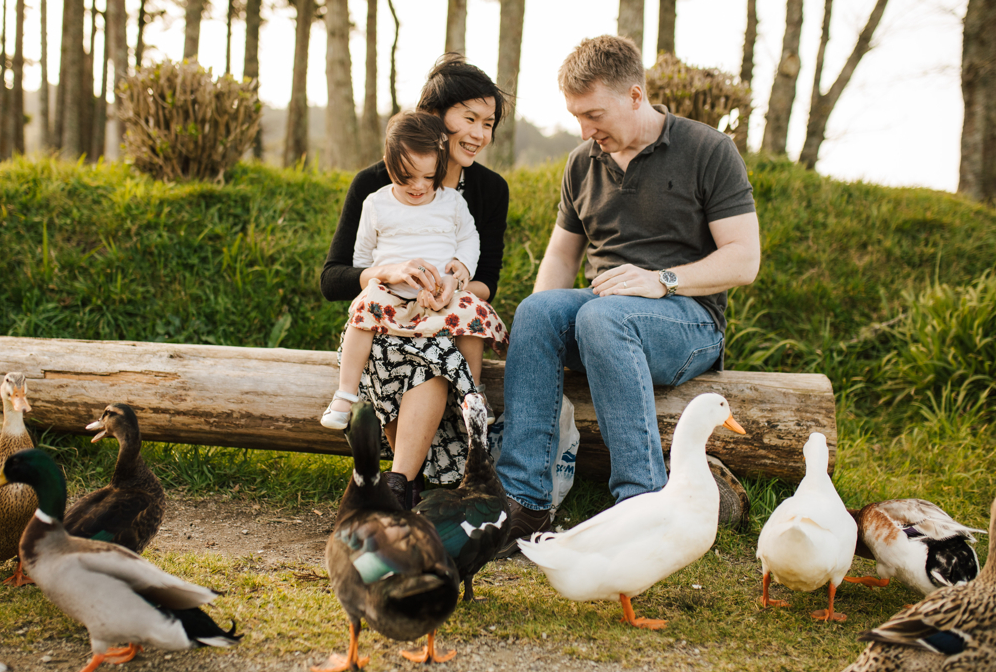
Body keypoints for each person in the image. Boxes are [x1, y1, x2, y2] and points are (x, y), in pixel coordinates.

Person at [494, 35, 760, 555]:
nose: (585, 131)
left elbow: (743, 259)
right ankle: (524, 503)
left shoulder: (708, 150)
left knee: (604, 318)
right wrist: (535, 333)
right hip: (604, 316)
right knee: (538, 311)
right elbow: (561, 257)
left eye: (594, 115)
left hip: (687, 322)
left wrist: (662, 281)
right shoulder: (582, 163)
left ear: (635, 96)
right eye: (576, 117)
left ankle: (643, 506)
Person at [320, 54, 511, 508]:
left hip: (443, 320)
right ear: (433, 117)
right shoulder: (375, 186)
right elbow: (333, 278)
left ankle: (400, 483)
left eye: (488, 124)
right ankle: (406, 481)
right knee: (403, 352)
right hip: (384, 321)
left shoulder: (488, 190)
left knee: (433, 355)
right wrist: (385, 273)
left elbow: (486, 281)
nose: (480, 135)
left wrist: (448, 291)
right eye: (469, 119)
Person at [321, 111, 507, 435]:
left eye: (428, 176)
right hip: (391, 295)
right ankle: (345, 396)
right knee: (363, 313)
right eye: (406, 177)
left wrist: (461, 270)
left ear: (440, 167)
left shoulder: (452, 202)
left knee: (472, 313)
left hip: (440, 295)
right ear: (387, 164)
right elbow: (361, 256)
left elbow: (469, 239)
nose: (418, 186)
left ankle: (473, 394)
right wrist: (376, 280)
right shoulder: (376, 203)